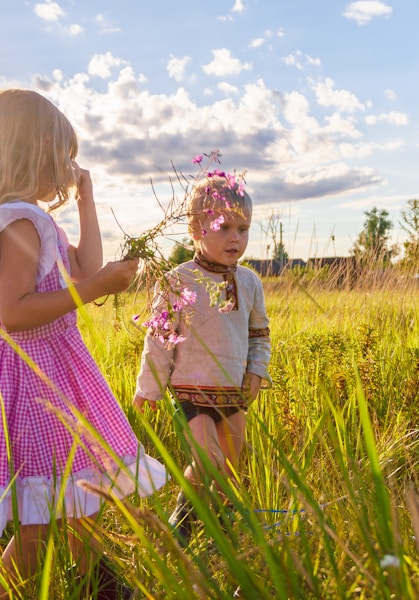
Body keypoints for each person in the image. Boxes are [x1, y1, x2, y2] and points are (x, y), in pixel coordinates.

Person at [0, 88, 167, 600]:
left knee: (81, 503)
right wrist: (94, 291)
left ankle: (105, 589)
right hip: (33, 380)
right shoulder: (19, 220)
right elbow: (13, 313)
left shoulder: (35, 217)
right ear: (33, 152)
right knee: (38, 526)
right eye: (63, 154)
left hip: (52, 371)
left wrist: (87, 201)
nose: (70, 166)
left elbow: (86, 267)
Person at [132, 171, 271, 545]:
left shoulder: (250, 282)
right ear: (196, 228)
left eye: (243, 229)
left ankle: (217, 532)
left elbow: (259, 334)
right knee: (207, 458)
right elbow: (159, 338)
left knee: (228, 467)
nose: (235, 238)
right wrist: (149, 388)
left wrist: (256, 373)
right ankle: (185, 523)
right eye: (224, 226)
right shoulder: (178, 280)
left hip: (234, 393)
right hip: (190, 390)